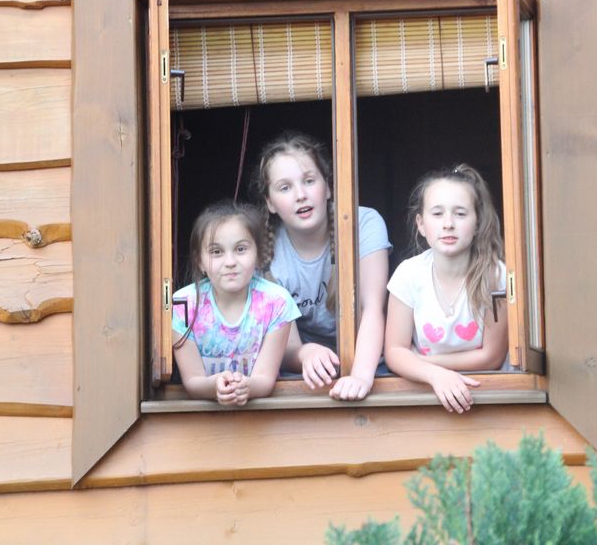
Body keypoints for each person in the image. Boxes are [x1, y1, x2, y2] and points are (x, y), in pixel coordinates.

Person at [254, 132, 391, 401]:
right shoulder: (262, 249)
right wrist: (305, 354)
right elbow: (284, 345)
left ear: (327, 187)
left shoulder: (364, 223)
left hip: (371, 363)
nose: (301, 195)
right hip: (306, 371)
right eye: (285, 188)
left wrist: (360, 377)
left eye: (309, 181)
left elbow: (373, 308)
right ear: (270, 202)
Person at [384, 165, 508, 413]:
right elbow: (395, 352)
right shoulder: (408, 274)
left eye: (460, 214)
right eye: (437, 214)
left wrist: (423, 362)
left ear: (478, 222)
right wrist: (435, 375)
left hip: (488, 394)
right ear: (421, 224)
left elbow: (491, 357)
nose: (448, 224)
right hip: (425, 393)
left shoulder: (496, 275)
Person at [172, 200, 300, 405]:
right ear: (200, 261)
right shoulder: (183, 305)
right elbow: (193, 381)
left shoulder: (276, 302)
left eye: (240, 249)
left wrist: (247, 387)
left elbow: (264, 379)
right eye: (216, 252)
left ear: (259, 255)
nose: (230, 262)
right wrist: (214, 386)